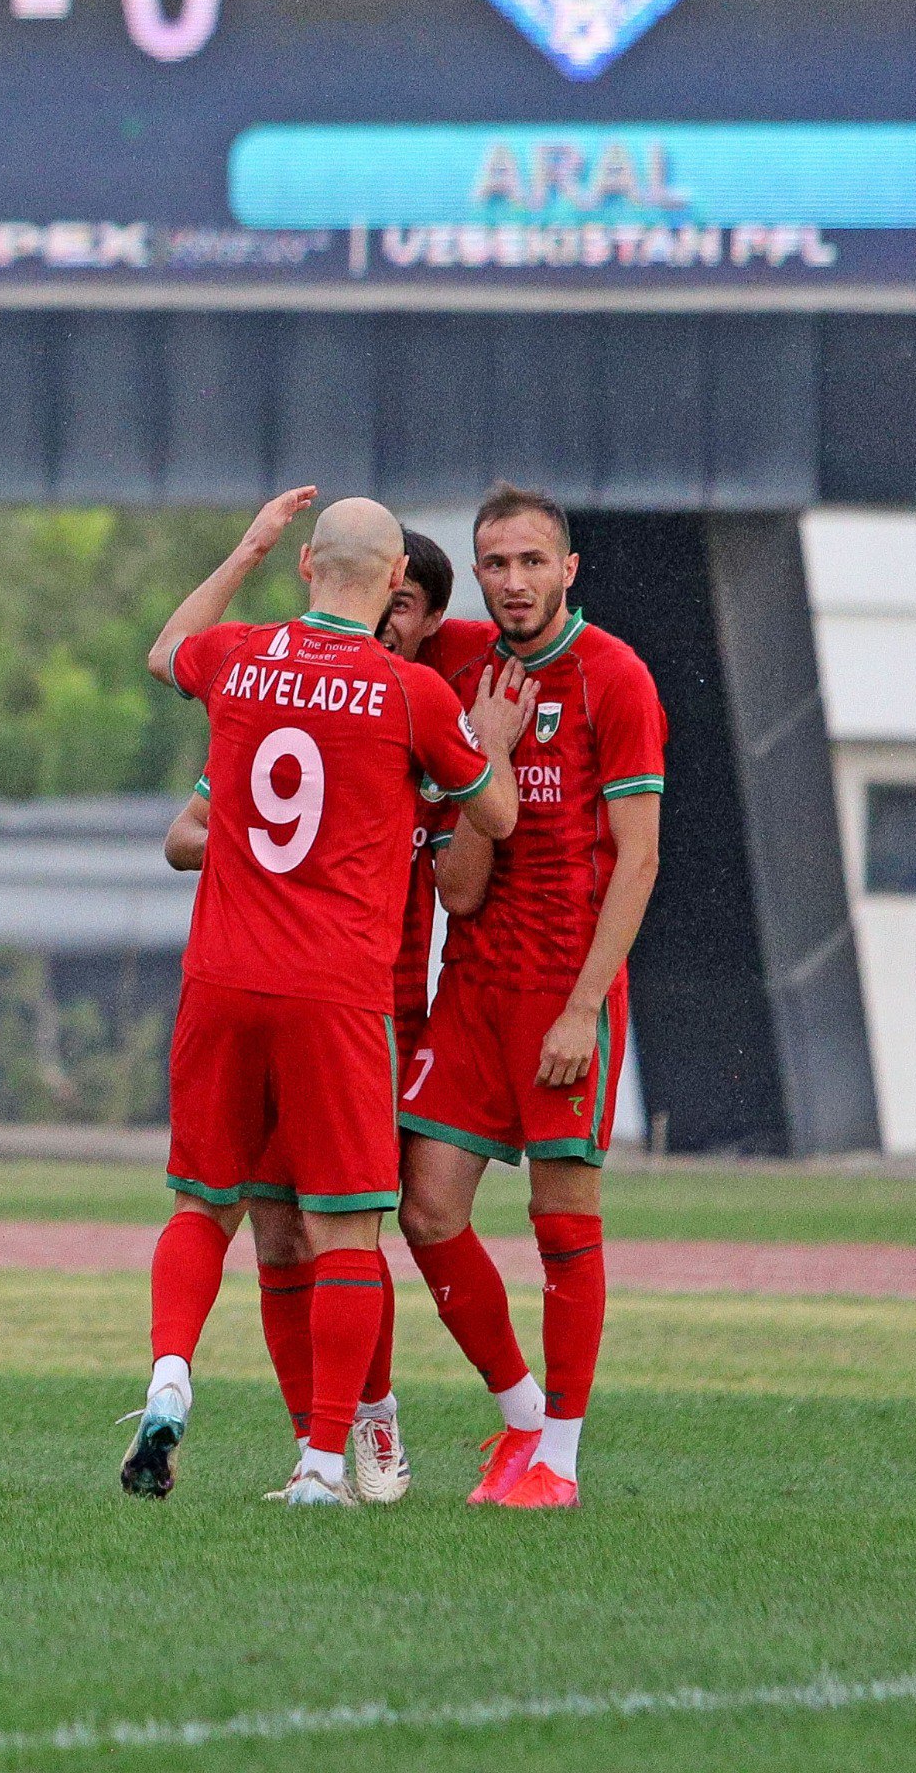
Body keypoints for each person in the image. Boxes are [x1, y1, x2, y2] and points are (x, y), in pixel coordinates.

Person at [125, 490, 528, 1507]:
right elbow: (495, 812)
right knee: (345, 1229)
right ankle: (317, 1464)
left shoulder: (239, 658)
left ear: (306, 564)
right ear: (396, 580)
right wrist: (486, 741)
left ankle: (170, 1370)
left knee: (202, 1202)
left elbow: (168, 649)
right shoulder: (405, 694)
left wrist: (242, 547)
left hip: (221, 976)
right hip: (334, 992)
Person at [400, 484, 666, 1512]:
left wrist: (580, 1008)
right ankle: (517, 1419)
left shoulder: (616, 679)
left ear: (567, 569)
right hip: (469, 984)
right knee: (424, 1206)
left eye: (528, 562)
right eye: (493, 564)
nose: (511, 581)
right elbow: (390, 619)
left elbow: (636, 861)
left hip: (563, 988)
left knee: (561, 1209)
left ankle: (559, 1453)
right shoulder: (459, 655)